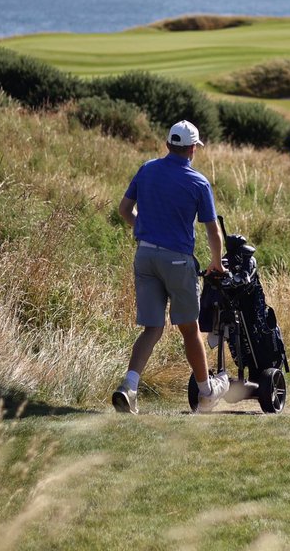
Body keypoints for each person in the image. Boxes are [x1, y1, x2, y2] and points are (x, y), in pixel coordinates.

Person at [113, 120, 230, 415]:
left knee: (152, 328)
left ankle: (129, 387)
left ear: (167, 145)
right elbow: (213, 231)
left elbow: (124, 210)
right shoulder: (198, 182)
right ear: (192, 148)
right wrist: (216, 262)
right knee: (190, 330)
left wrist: (145, 228)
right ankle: (206, 393)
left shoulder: (147, 169)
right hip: (177, 260)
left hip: (145, 256)